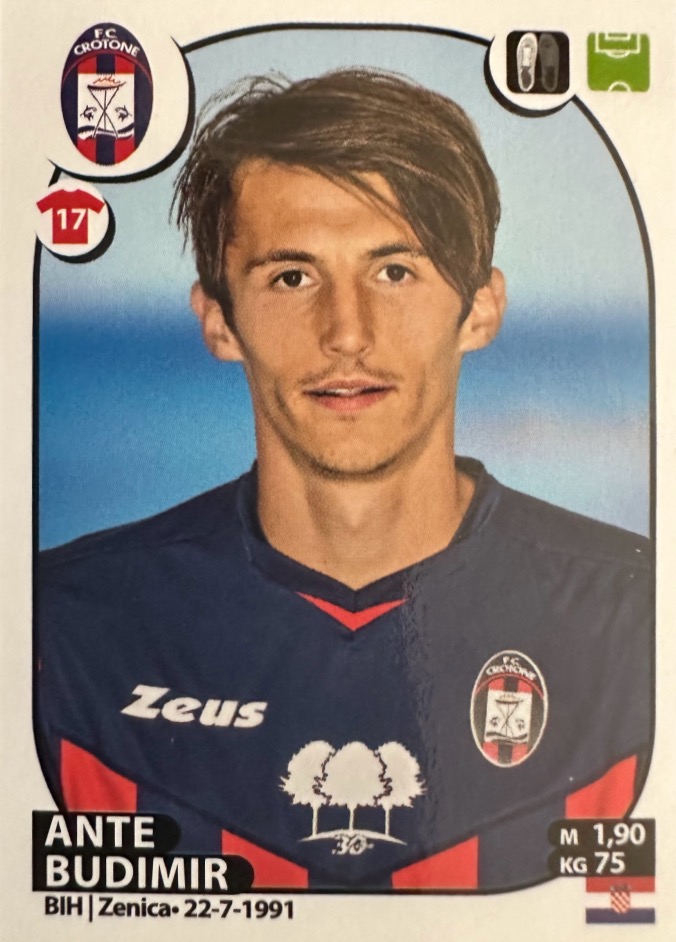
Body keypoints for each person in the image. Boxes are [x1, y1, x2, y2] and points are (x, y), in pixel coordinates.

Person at [37, 69, 652, 892]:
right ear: (219, 320)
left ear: (479, 309)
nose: (347, 333)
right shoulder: (60, 634)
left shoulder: (639, 622)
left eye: (394, 271)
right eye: (292, 277)